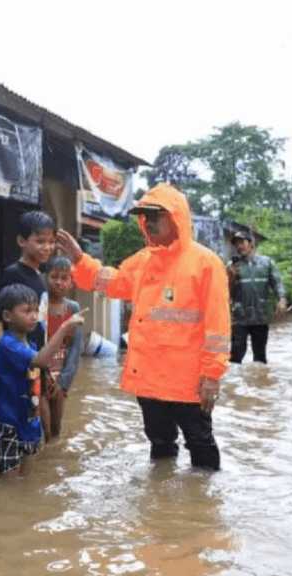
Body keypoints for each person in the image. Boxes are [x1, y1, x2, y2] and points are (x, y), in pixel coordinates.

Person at [55, 183, 231, 471]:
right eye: (144, 217)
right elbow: (111, 282)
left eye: (155, 216)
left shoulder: (206, 264)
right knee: (160, 445)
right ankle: (160, 493)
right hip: (150, 379)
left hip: (189, 382)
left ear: (175, 217)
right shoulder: (143, 262)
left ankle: (202, 498)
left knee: (200, 444)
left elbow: (218, 326)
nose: (148, 223)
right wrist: (79, 259)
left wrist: (212, 375)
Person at [0, 283, 86, 476]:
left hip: (29, 423)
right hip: (8, 423)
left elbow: (37, 381)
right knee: (9, 481)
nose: (34, 316)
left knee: (26, 478)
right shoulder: (7, 344)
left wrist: (47, 378)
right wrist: (64, 327)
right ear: (8, 316)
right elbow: (40, 360)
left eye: (36, 310)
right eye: (27, 311)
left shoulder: (31, 346)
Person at [0, 210, 57, 349]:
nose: (47, 248)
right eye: (40, 241)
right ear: (22, 241)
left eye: (51, 242)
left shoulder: (42, 278)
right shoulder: (12, 274)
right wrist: (3, 355)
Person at [40, 255, 85, 440]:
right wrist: (42, 375)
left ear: (71, 282)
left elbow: (76, 349)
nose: (58, 282)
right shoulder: (38, 306)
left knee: (56, 431)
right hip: (39, 372)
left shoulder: (73, 309)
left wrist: (63, 382)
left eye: (64, 278)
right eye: (54, 277)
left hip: (60, 374)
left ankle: (54, 455)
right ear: (45, 278)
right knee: (44, 428)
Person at [226, 230, 288, 364]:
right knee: (236, 354)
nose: (239, 246)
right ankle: (235, 378)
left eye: (242, 242)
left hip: (260, 316)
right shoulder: (232, 266)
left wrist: (282, 299)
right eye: (236, 244)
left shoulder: (267, 263)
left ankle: (259, 377)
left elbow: (277, 283)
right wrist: (231, 276)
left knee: (260, 357)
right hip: (240, 316)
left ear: (251, 244)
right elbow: (225, 292)